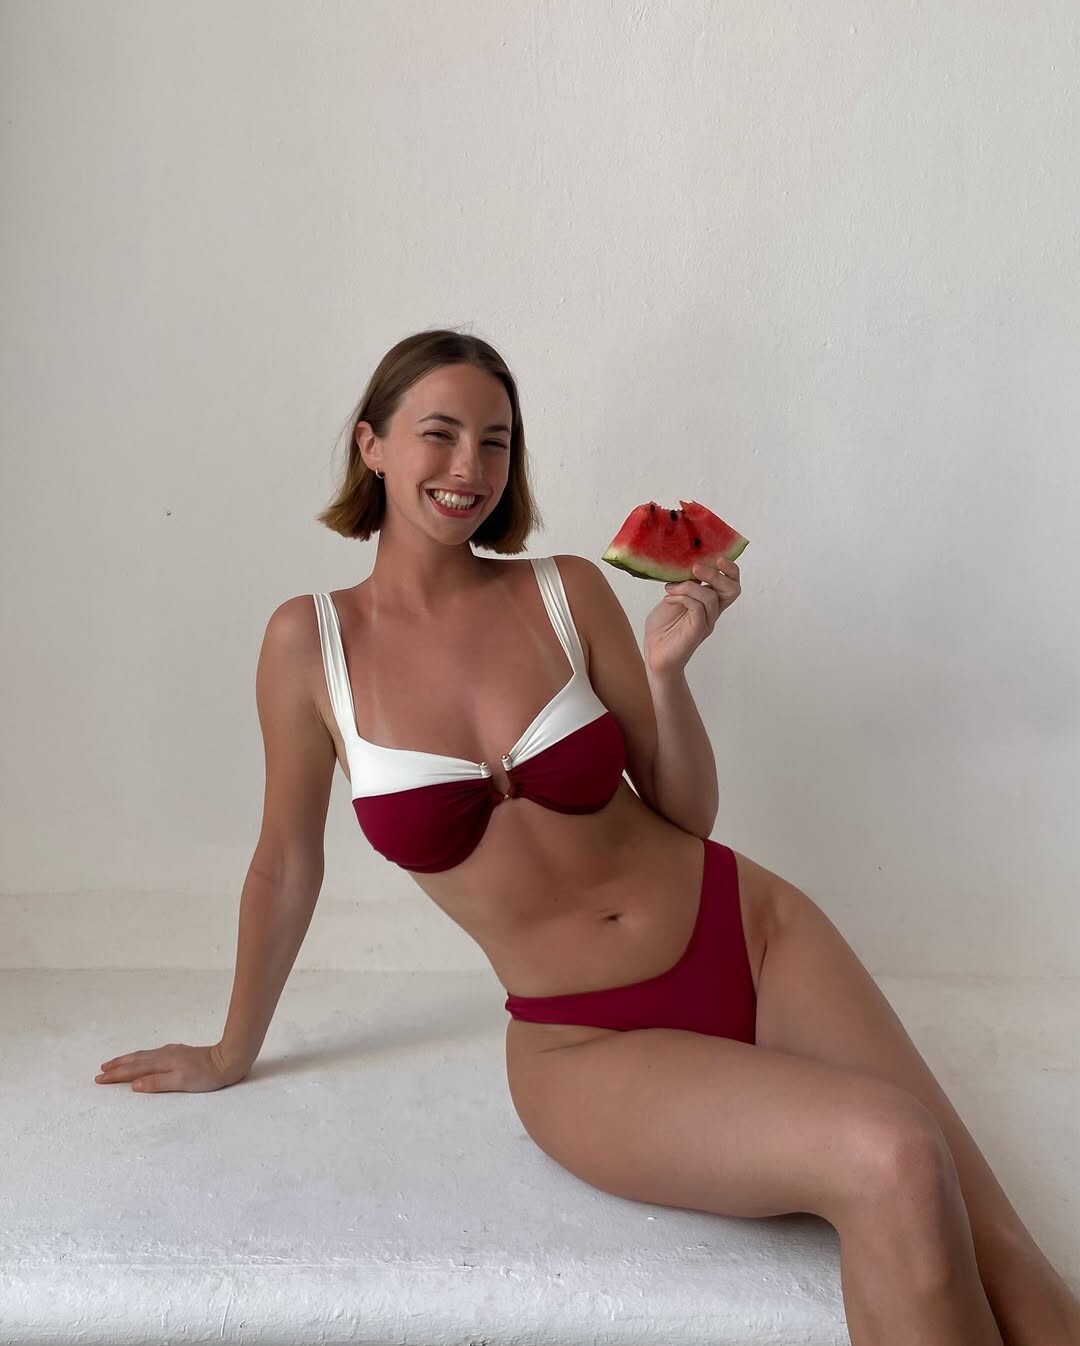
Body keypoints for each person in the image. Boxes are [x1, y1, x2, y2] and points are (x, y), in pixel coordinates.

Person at [95, 328, 1079, 1345]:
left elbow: (687, 811)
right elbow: (285, 863)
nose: (470, 466)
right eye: (440, 433)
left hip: (755, 933)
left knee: (1024, 1274)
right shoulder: (309, 644)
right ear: (372, 444)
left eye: (497, 441)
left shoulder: (564, 589)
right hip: (584, 1041)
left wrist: (666, 673)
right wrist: (231, 1049)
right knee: (896, 1155)